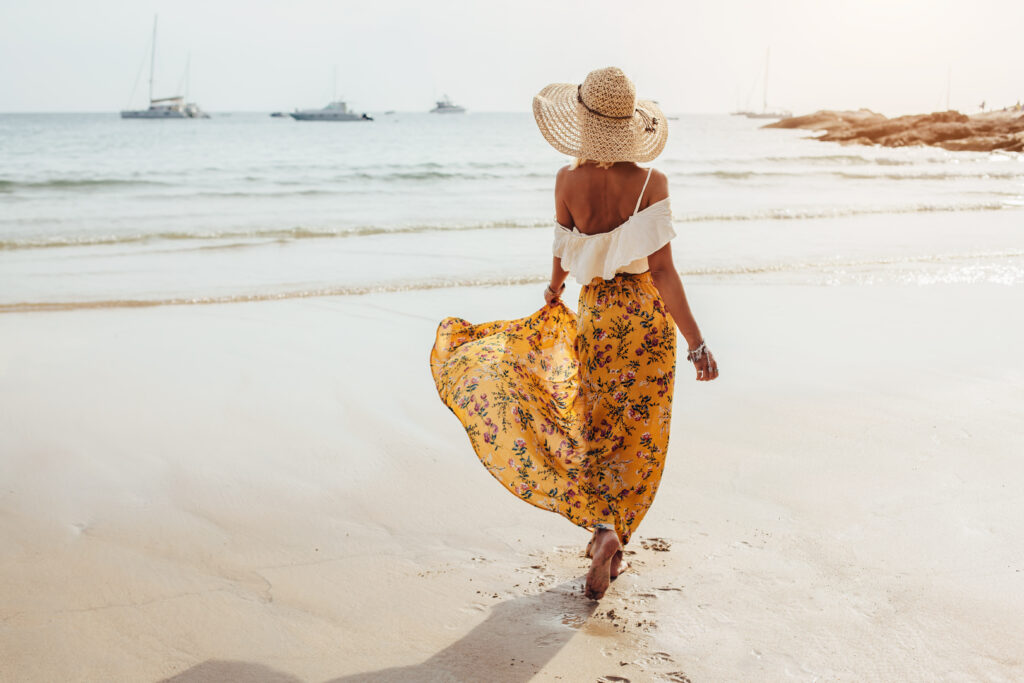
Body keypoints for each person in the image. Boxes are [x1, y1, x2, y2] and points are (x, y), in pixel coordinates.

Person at [430, 67, 718, 600]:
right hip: (645, 322)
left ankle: (602, 531)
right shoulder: (652, 183)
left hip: (596, 315)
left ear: (583, 126)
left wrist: (554, 290)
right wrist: (696, 341)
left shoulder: (566, 181)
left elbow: (563, 249)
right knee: (639, 431)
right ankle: (612, 534)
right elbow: (661, 272)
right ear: (630, 127)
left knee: (595, 423)